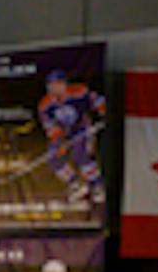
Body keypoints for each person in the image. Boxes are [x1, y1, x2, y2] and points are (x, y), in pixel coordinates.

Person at [37, 67, 106, 204]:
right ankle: (75, 184)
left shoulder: (79, 92)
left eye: (57, 85)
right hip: (64, 133)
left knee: (80, 155)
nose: (54, 89)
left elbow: (98, 101)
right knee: (52, 158)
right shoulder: (44, 105)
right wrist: (58, 142)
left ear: (64, 84)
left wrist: (103, 113)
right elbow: (50, 126)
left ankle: (97, 185)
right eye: (50, 86)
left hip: (82, 128)